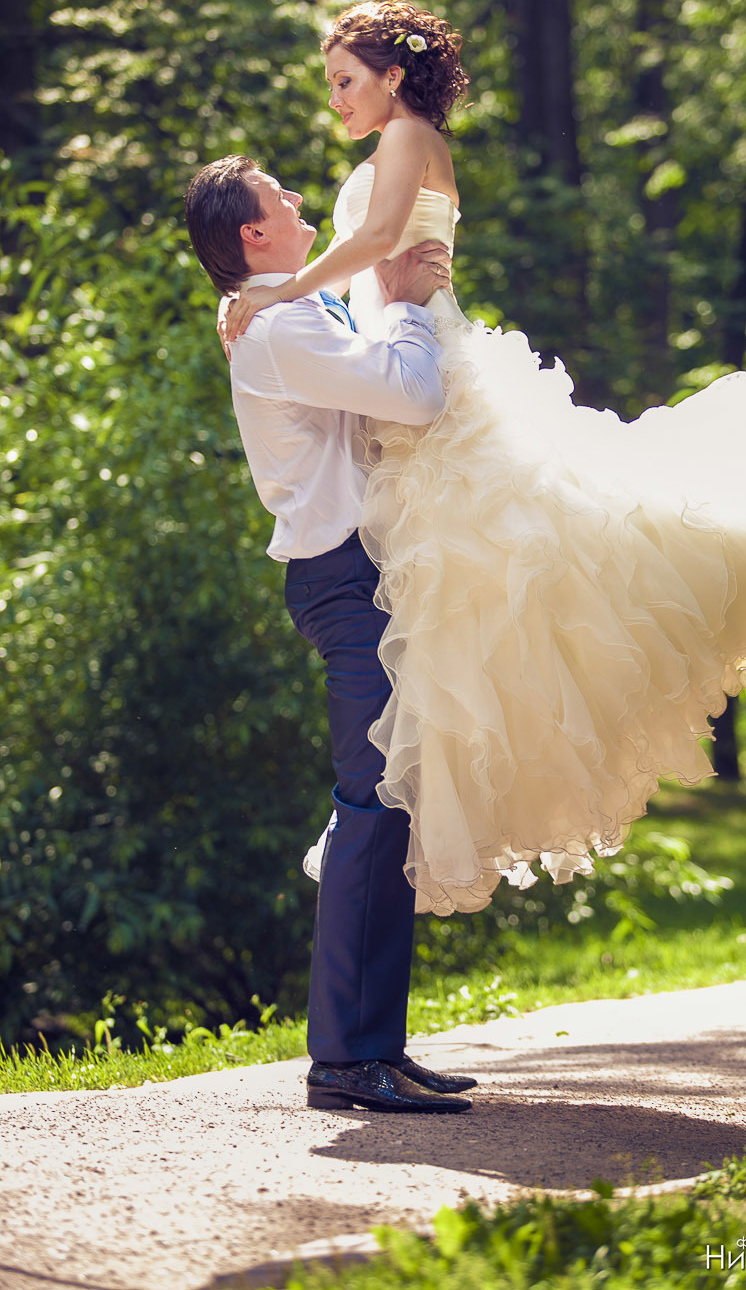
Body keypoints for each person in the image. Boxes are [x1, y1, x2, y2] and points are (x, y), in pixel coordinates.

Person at [223, 0, 746, 922]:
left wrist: (284, 286)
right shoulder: (389, 148)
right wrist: (273, 304)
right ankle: (405, 811)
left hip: (428, 371)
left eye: (343, 80)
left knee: (532, 561)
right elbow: (356, 267)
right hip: (401, 363)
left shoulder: (407, 138)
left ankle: (405, 815)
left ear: (392, 77)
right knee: (474, 595)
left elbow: (370, 246)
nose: (335, 100)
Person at [184, 154, 474, 1115]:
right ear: (253, 236)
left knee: (392, 801)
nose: (300, 199)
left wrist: (380, 287)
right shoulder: (276, 330)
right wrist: (397, 301)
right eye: (281, 196)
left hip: (365, 575)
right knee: (371, 801)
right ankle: (343, 1062)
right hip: (341, 583)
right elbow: (414, 395)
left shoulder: (287, 311)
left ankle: (376, 1046)